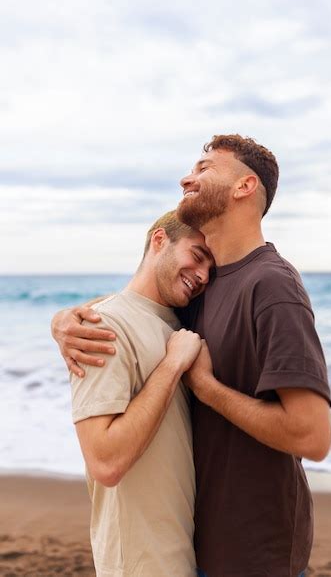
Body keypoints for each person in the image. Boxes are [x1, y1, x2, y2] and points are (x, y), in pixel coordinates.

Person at [53, 134, 331, 577]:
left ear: (244, 187)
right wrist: (67, 319)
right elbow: (139, 307)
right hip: (197, 545)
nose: (188, 177)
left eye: (204, 168)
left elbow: (313, 437)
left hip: (255, 553)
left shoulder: (274, 286)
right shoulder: (207, 287)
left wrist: (205, 386)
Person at [62, 211, 213, 577]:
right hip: (139, 562)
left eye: (212, 268)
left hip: (183, 552)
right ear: (159, 241)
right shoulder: (103, 325)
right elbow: (105, 462)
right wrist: (172, 366)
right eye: (197, 255)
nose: (204, 275)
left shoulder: (178, 322)